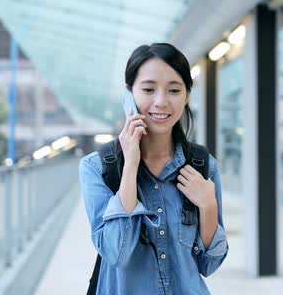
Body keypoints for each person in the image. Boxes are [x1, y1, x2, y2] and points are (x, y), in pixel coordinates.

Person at [79, 43, 228, 294]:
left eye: (173, 90)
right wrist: (130, 166)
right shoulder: (97, 168)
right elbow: (117, 253)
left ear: (187, 96)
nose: (161, 102)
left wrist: (209, 206)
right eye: (148, 89)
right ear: (129, 95)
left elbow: (208, 264)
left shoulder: (203, 166)